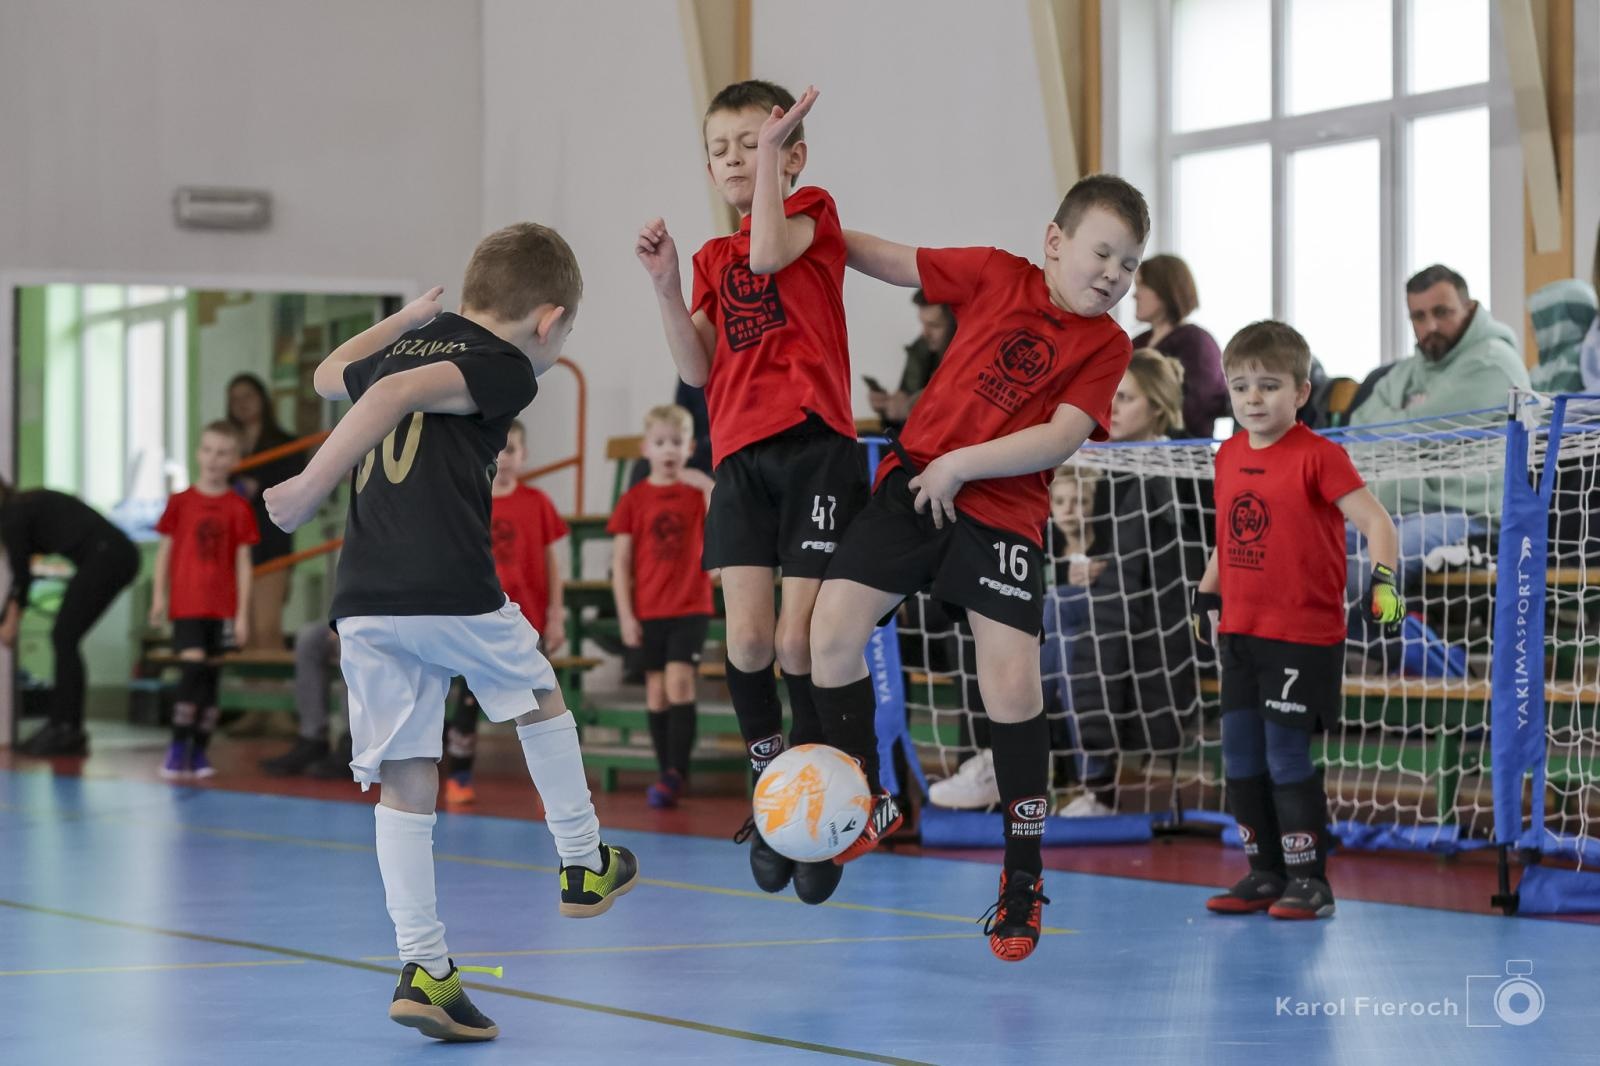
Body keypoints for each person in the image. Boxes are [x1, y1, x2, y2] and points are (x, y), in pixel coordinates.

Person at [263, 224, 637, 1044]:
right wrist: (308, 488)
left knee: (407, 776)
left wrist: (399, 324)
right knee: (538, 693)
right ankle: (582, 858)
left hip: (363, 596)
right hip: (448, 583)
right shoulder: (506, 368)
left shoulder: (412, 348)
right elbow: (387, 401)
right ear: (549, 321)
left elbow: (337, 376)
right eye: (563, 334)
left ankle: (424, 968)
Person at [810, 173, 1150, 960]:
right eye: (1103, 253)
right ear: (1055, 242)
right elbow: (891, 259)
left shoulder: (1108, 343)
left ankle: (1022, 880)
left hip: (999, 510)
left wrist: (963, 465)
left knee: (1012, 687)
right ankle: (868, 798)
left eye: (1130, 265)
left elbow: (1062, 437)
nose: (1113, 274)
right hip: (913, 484)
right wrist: (809, 236)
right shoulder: (998, 273)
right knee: (831, 633)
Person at [635, 80, 865, 904]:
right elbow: (696, 367)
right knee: (748, 642)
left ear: (791, 153)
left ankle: (817, 806)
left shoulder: (814, 216)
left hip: (816, 452)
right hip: (741, 462)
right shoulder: (710, 258)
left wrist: (770, 159)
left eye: (754, 144)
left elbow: (769, 250)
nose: (735, 159)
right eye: (722, 149)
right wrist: (666, 286)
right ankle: (773, 799)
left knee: (801, 644)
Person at [1193, 320, 1404, 921]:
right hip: (1240, 632)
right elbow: (1228, 533)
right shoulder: (1229, 454)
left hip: (1301, 638)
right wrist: (1206, 594)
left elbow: (1378, 524)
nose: (1252, 399)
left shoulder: (1320, 455)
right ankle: (1263, 873)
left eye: (1268, 385)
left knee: (1287, 756)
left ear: (1301, 392)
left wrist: (1384, 581)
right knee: (1239, 756)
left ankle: (1310, 881)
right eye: (1240, 388)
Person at [1064, 351, 1202, 816]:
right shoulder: (1108, 468)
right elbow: (1105, 554)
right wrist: (1086, 564)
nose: (1112, 408)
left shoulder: (1177, 473)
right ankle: (1030, 773)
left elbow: (1174, 567)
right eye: (1109, 398)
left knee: (1062, 640)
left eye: (1124, 398)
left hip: (1167, 617)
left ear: (1158, 407)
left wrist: (1107, 571)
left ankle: (1095, 784)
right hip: (1114, 603)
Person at [1347, 265, 1530, 594]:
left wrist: (1402, 419)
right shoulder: (1407, 371)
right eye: (1418, 316)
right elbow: (1358, 432)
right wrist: (1411, 422)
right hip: (1397, 509)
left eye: (1442, 312)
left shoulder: (1493, 364)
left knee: (1364, 573)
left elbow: (1421, 431)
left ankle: (1405, 648)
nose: (1430, 326)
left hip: (1467, 517)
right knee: (1307, 552)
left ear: (1469, 308)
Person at [442, 419, 569, 805]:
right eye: (499, 448)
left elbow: (552, 564)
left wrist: (557, 614)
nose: (504, 457)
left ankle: (552, 781)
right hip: (479, 622)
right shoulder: (470, 501)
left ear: (524, 455)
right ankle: (459, 775)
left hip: (527, 623)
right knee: (467, 703)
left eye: (512, 449)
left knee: (538, 702)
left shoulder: (538, 503)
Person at [608, 404, 715, 809]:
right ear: (645, 449)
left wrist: (706, 483)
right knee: (655, 692)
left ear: (689, 448)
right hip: (649, 609)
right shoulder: (634, 499)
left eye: (677, 442)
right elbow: (620, 563)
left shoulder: (694, 494)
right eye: (660, 442)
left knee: (679, 683)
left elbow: (723, 516)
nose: (668, 450)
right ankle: (665, 769)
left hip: (690, 605)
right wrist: (625, 615)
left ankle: (676, 774)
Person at [149, 420, 259, 778]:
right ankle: (178, 744)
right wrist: (158, 597)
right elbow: (164, 553)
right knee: (192, 670)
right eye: (209, 450)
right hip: (188, 605)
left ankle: (200, 748)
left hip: (222, 608)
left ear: (235, 459)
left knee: (211, 677)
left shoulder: (238, 507)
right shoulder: (179, 503)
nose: (214, 459)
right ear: (198, 453)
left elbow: (243, 563)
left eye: (223, 452)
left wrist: (242, 616)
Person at [1, 482, 141, 757]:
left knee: (63, 636)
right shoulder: (25, 504)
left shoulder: (12, 516)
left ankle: (65, 728)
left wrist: (10, 621)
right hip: (113, 553)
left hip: (109, 555)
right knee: (64, 637)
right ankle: (64, 726)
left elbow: (21, 578)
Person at [227, 372, 305, 651]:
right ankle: (250, 690)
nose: (242, 404)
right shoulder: (227, 449)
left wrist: (257, 484)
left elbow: (292, 482)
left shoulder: (284, 444)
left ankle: (273, 691)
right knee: (243, 630)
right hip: (237, 548)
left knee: (266, 627)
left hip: (270, 542)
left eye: (248, 396)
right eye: (235, 399)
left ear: (262, 399)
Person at [1129, 254, 1227, 438]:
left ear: (1165, 289)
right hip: (1131, 449)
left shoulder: (1197, 343)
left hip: (1181, 453)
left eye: (1142, 286)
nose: (1135, 295)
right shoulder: (1138, 342)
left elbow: (1200, 405)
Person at [868, 289, 955, 429]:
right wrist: (887, 410)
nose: (925, 333)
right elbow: (904, 404)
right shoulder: (921, 348)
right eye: (923, 324)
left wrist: (916, 406)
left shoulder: (972, 359)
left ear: (957, 325)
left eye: (934, 325)